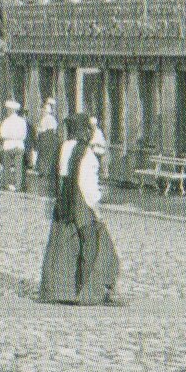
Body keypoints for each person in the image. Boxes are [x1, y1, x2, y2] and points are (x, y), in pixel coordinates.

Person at [41, 112, 121, 305]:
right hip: (81, 204)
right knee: (97, 245)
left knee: (63, 246)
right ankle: (90, 291)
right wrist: (96, 206)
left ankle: (60, 290)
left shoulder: (63, 148)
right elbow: (87, 185)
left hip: (63, 202)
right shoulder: (86, 154)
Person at [0, 100, 30, 191]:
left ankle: (6, 184)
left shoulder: (6, 121)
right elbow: (24, 135)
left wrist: (9, 136)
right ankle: (18, 186)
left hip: (8, 145)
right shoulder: (22, 121)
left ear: (10, 110)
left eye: (8, 109)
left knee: (6, 166)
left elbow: (2, 134)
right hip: (19, 145)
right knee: (18, 167)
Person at [31, 97, 61, 187]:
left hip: (45, 138)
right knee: (48, 156)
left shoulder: (45, 119)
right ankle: (47, 172)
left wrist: (38, 132)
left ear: (45, 111)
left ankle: (44, 172)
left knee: (44, 156)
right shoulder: (52, 119)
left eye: (43, 110)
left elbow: (42, 130)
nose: (42, 112)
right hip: (51, 139)